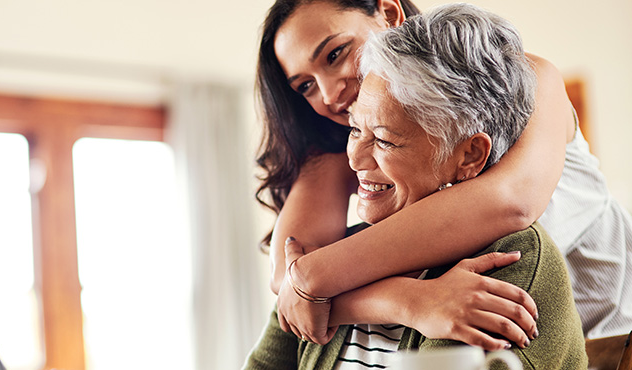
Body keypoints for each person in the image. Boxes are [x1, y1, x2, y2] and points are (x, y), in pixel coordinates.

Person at [255, 0, 632, 348]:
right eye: (305, 85)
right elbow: (288, 276)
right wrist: (409, 302)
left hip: (614, 337)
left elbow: (511, 204)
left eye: (335, 54)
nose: (330, 93)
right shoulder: (350, 140)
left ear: (388, 14)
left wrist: (313, 280)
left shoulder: (525, 78)